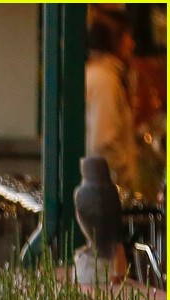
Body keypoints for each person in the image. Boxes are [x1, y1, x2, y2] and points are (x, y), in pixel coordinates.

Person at [85, 10, 141, 196]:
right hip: (106, 191)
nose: (132, 44)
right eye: (127, 36)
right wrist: (124, 176)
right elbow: (104, 142)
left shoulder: (95, 74)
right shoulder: (106, 81)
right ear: (114, 40)